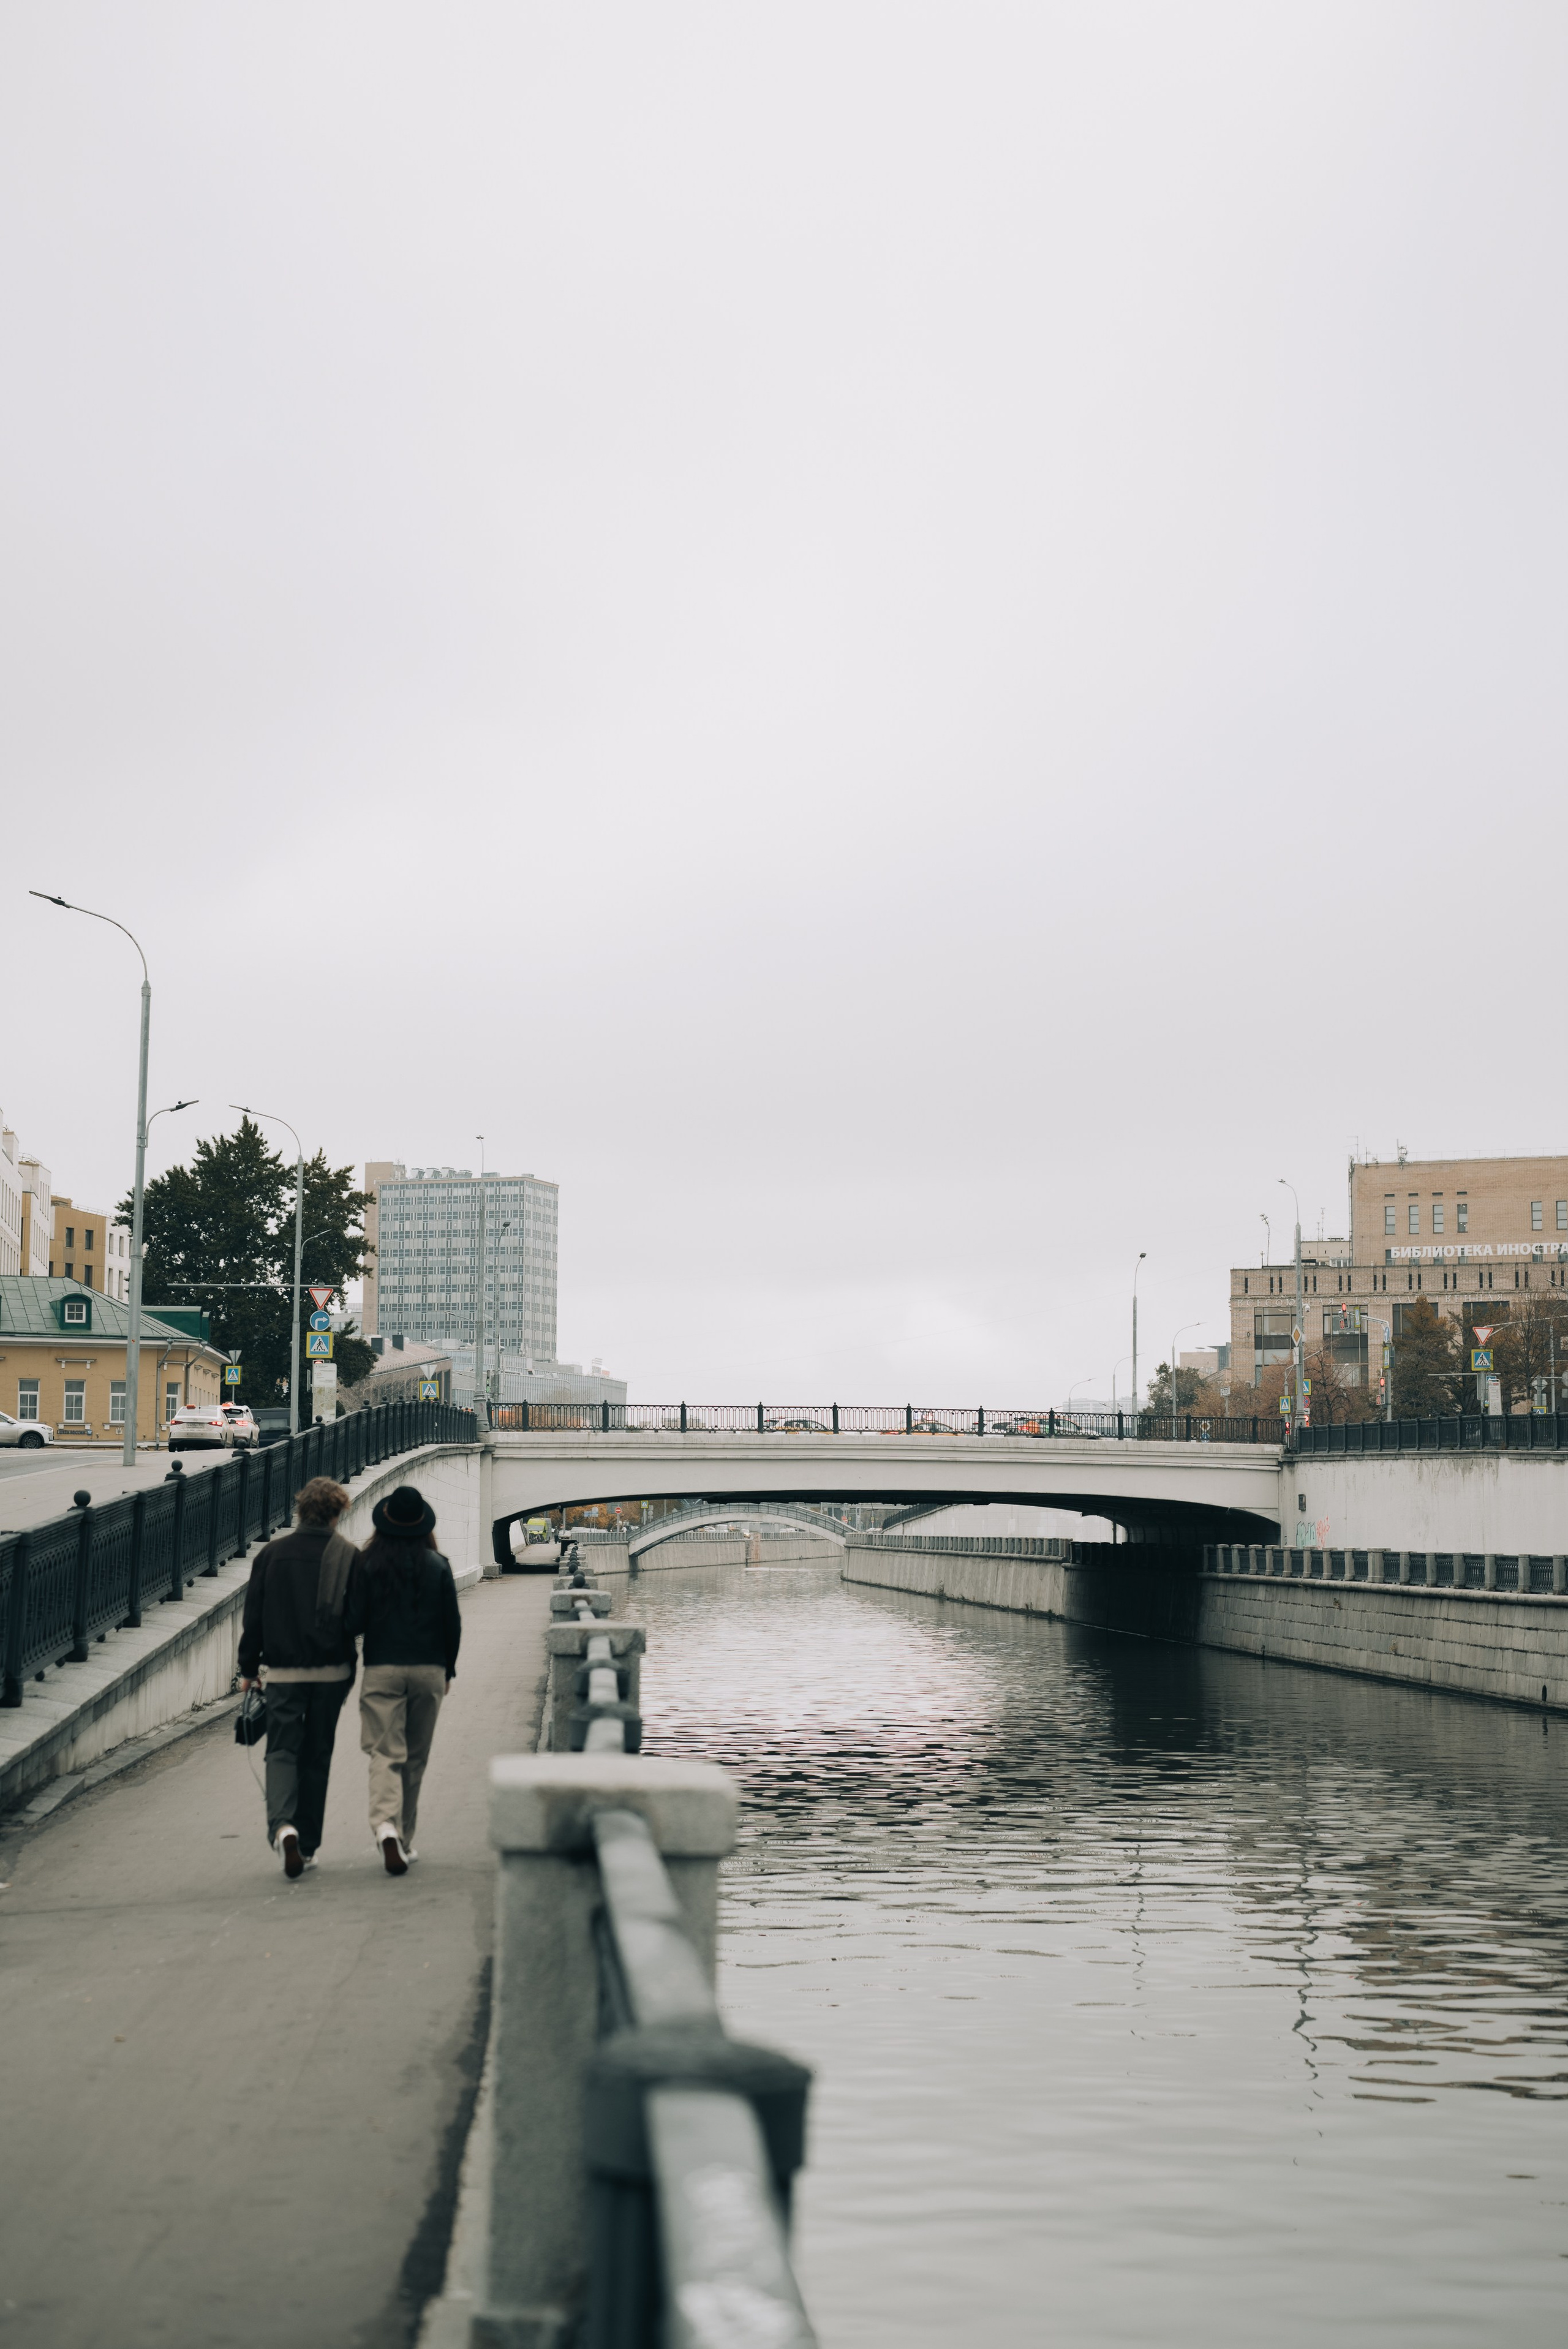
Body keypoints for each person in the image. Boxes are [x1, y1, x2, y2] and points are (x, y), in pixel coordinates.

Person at [238, 1476, 359, 1879]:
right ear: (338, 1513)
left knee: (283, 1750)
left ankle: (283, 1827)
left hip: (285, 1674)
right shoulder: (349, 1556)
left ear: (300, 1510)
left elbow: (253, 1617)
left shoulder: (273, 1555)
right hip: (333, 1672)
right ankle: (306, 1844)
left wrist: (248, 1669)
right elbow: (358, 1618)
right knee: (317, 1755)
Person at [345, 1484, 461, 1876]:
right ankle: (405, 1840)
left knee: (385, 1752)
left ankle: (384, 1826)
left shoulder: (367, 1563)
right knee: (415, 1759)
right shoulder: (439, 1564)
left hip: (383, 1668)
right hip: (429, 1670)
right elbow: (452, 1625)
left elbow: (355, 1621)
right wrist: (449, 1670)